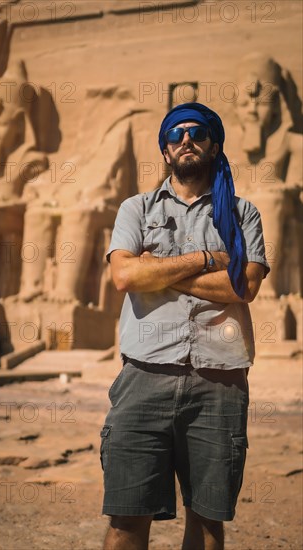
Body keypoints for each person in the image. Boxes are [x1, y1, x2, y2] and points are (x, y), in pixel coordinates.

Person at [100, 102, 270, 550]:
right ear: (166, 149)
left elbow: (244, 285)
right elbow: (125, 276)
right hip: (144, 376)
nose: (186, 141)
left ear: (214, 144)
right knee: (125, 521)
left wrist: (160, 270)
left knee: (208, 523)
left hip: (220, 379)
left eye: (196, 133)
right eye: (176, 135)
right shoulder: (136, 208)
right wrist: (207, 260)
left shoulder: (242, 213)